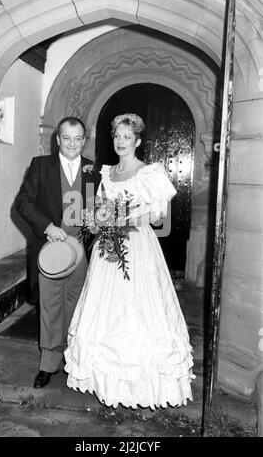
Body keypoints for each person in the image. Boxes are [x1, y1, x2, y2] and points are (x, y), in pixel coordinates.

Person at [64, 113, 195, 409]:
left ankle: (142, 384)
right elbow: (99, 207)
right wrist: (97, 221)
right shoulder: (107, 173)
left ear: (137, 141)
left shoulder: (148, 172)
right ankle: (102, 380)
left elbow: (158, 214)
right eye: (117, 136)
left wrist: (124, 220)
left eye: (127, 137)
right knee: (104, 309)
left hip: (137, 246)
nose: (121, 142)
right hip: (108, 249)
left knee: (139, 306)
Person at [15, 116, 101, 388]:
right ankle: (48, 364)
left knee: (77, 305)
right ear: (57, 139)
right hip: (51, 248)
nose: (72, 144)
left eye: (78, 139)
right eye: (67, 138)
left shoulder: (93, 170)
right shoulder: (41, 166)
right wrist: (48, 227)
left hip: (81, 249)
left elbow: (98, 208)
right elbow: (24, 203)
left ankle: (74, 361)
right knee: (51, 306)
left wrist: (98, 222)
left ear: (84, 140)